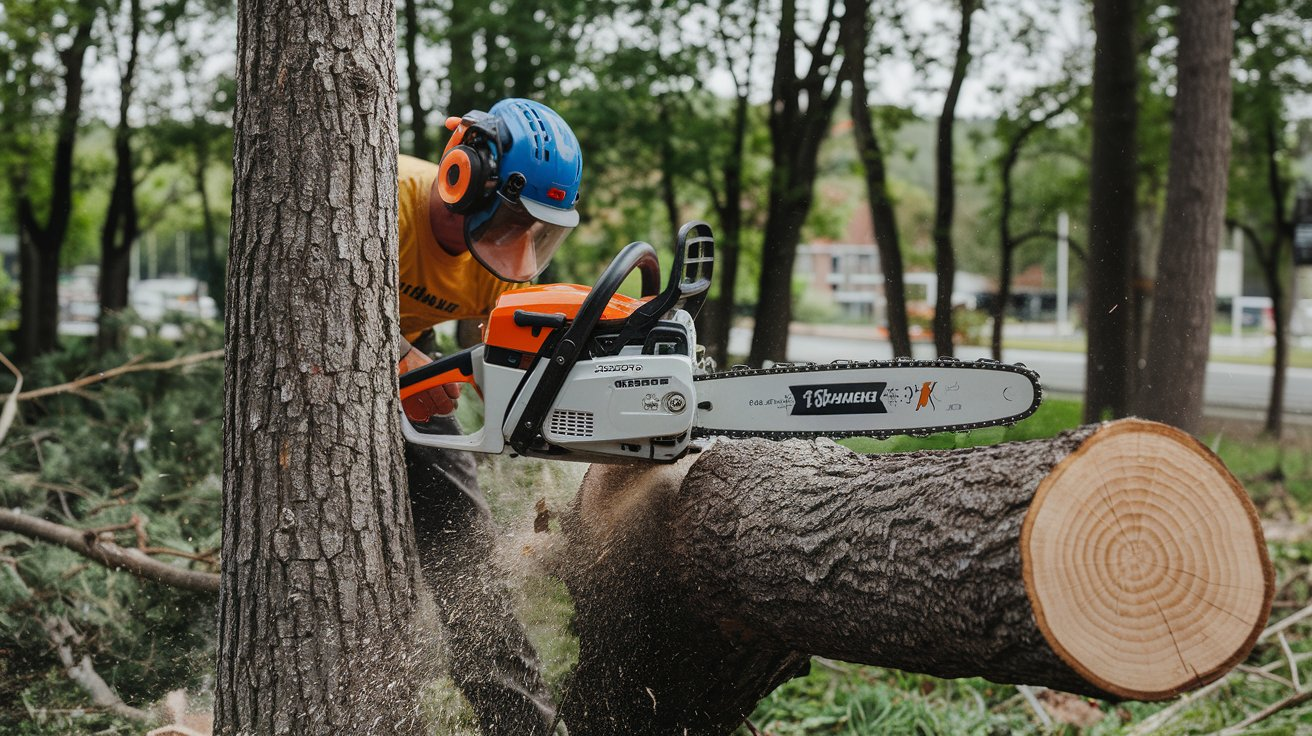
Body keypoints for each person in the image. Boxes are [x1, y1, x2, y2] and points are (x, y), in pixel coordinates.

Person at [395, 98, 581, 735]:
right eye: (510, 218)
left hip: (410, 373)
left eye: (534, 228)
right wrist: (393, 360)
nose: (517, 240)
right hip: (317, 375)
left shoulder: (499, 264)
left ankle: (523, 725)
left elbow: (515, 349)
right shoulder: (381, 200)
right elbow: (308, 299)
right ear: (462, 174)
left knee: (467, 558)